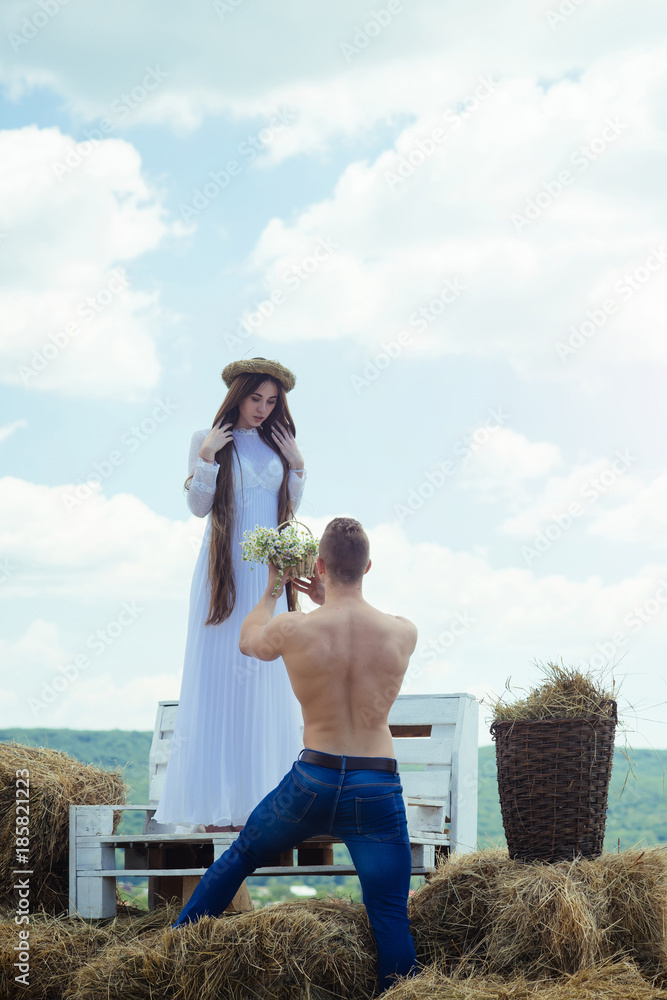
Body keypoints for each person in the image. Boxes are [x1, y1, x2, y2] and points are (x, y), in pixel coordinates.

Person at [171, 517, 420, 992]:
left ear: (320, 565)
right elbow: (355, 629)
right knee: (389, 914)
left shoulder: (292, 627)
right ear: (368, 566)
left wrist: (272, 588)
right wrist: (333, 600)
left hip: (314, 780)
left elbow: (248, 639)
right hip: (376, 786)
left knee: (242, 855)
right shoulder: (402, 632)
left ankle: (173, 951)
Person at [154, 358, 307, 832]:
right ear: (237, 394)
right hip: (223, 577)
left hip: (267, 580)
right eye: (255, 398)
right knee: (220, 680)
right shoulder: (206, 438)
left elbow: (284, 512)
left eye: (271, 401)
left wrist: (298, 466)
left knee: (265, 680)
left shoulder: (279, 445)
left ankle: (263, 806)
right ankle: (215, 811)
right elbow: (199, 508)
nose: (262, 409)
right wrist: (205, 458)